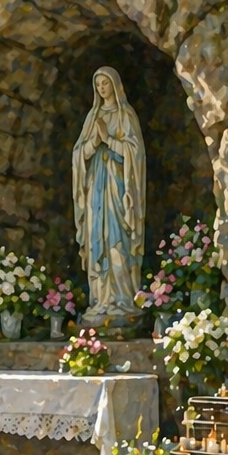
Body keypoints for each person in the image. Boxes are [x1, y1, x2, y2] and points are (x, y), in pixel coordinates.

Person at [72, 66, 146, 323]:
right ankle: (101, 300)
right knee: (98, 241)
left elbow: (136, 153)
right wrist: (94, 143)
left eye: (105, 83)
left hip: (118, 188)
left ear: (115, 85)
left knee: (118, 239)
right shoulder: (93, 116)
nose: (102, 88)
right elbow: (78, 154)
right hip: (96, 188)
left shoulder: (126, 115)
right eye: (98, 85)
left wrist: (109, 140)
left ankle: (122, 298)